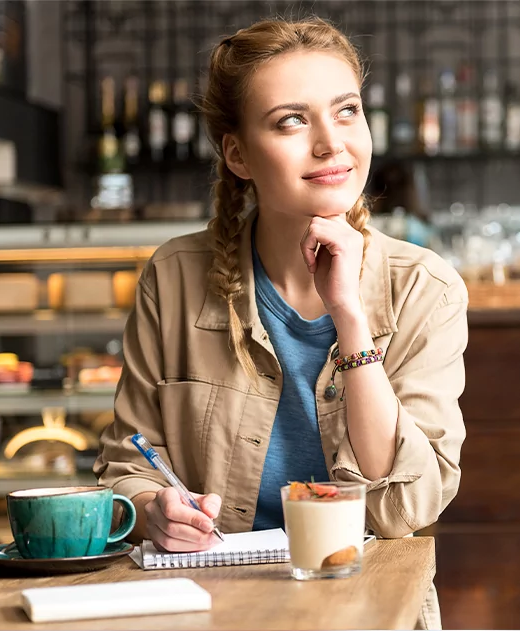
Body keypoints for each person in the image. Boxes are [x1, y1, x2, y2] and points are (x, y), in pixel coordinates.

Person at [94, 16, 467, 629]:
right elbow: (125, 464)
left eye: (346, 111)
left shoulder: (425, 288)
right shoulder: (175, 278)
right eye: (291, 120)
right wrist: (152, 507)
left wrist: (349, 315)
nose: (330, 143)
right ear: (237, 153)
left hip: (368, 608)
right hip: (207, 607)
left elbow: (404, 506)